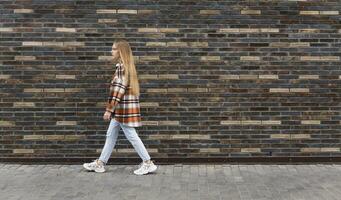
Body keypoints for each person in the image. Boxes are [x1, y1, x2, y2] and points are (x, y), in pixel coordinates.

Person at [83, 39, 157, 175]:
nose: (111, 51)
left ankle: (148, 162)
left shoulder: (122, 68)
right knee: (110, 134)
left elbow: (117, 91)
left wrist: (108, 110)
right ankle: (100, 163)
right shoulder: (127, 68)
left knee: (132, 136)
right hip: (122, 111)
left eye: (113, 49)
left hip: (123, 111)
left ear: (120, 51)